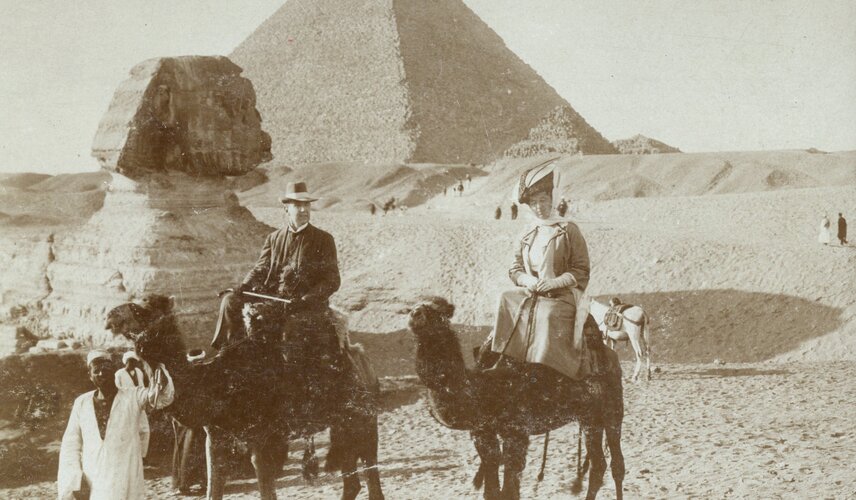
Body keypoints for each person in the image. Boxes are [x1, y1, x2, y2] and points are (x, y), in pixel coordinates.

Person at [211, 181, 345, 420]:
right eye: (297, 205)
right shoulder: (274, 238)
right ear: (286, 208)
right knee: (230, 301)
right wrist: (242, 287)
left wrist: (306, 299)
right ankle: (227, 353)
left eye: (306, 205)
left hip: (306, 306)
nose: (303, 210)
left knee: (292, 329)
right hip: (274, 300)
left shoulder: (323, 239)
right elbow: (260, 269)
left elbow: (332, 280)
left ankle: (293, 394)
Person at [478, 160, 591, 379]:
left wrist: (555, 282)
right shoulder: (527, 232)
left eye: (543, 200)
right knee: (505, 298)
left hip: (561, 296)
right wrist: (527, 280)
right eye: (533, 203)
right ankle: (506, 359)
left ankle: (548, 369)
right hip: (532, 292)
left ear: (553, 199)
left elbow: (582, 269)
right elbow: (515, 267)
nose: (539, 207)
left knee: (547, 315)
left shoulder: (569, 230)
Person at [58, 350, 174, 500]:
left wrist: (160, 372)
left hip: (126, 476)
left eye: (105, 369)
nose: (101, 374)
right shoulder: (82, 402)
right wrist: (75, 478)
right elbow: (70, 444)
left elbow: (161, 398)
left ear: (114, 371)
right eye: (96, 371)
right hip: (93, 477)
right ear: (90, 375)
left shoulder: (133, 396)